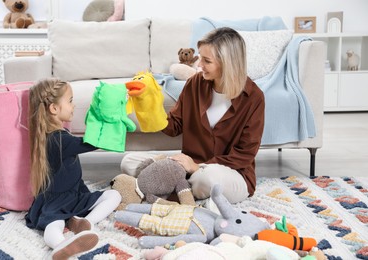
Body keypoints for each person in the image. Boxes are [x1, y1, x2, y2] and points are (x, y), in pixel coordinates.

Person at [121, 27, 265, 204]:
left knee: (206, 179)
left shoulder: (253, 97)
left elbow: (244, 154)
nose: (199, 65)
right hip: (190, 166)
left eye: (207, 61)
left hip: (231, 173)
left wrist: (197, 167)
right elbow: (174, 126)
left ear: (227, 63)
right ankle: (178, 186)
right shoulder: (194, 84)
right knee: (129, 162)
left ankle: (167, 186)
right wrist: (150, 105)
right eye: (200, 58)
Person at [26, 79, 121, 259]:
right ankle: (61, 245)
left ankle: (83, 224)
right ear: (54, 108)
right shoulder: (59, 140)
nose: (73, 105)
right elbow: (93, 143)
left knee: (113, 195)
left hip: (72, 196)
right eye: (70, 101)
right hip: (59, 201)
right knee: (54, 224)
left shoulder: (52, 136)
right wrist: (109, 118)